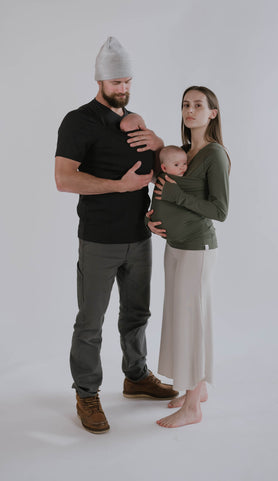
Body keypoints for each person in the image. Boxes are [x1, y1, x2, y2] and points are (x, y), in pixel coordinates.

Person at [54, 36, 178, 435]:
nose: (122, 89)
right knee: (90, 322)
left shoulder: (134, 120)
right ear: (99, 81)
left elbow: (161, 167)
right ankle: (87, 393)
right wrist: (119, 187)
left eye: (127, 81)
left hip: (138, 237)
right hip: (99, 239)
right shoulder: (78, 121)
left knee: (137, 314)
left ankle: (136, 376)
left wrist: (159, 145)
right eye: (115, 83)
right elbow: (63, 179)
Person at [147, 86, 230, 428]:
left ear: (212, 113)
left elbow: (220, 210)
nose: (190, 110)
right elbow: (162, 193)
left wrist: (178, 198)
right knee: (180, 319)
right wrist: (151, 220)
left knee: (192, 322)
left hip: (198, 248)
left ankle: (193, 407)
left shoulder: (214, 155)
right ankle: (195, 390)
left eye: (198, 105)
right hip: (175, 246)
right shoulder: (180, 152)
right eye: (185, 104)